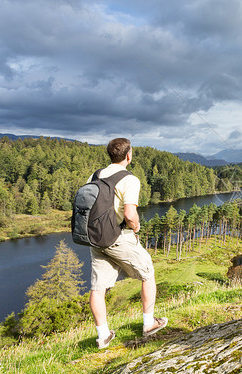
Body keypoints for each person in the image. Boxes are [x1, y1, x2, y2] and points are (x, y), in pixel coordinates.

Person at [89, 138, 167, 349]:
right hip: (117, 236)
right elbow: (130, 214)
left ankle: (103, 336)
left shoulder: (95, 175)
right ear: (129, 156)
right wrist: (136, 226)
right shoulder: (129, 179)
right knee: (148, 272)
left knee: (98, 287)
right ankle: (149, 323)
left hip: (96, 238)